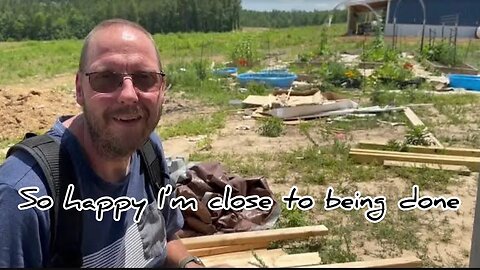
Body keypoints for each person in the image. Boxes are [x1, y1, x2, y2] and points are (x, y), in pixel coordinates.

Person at [0, 18, 206, 268]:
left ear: (162, 88)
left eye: (145, 78)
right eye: (106, 78)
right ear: (79, 89)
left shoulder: (148, 150)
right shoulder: (22, 196)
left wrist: (189, 264)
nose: (129, 95)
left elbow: (166, 237)